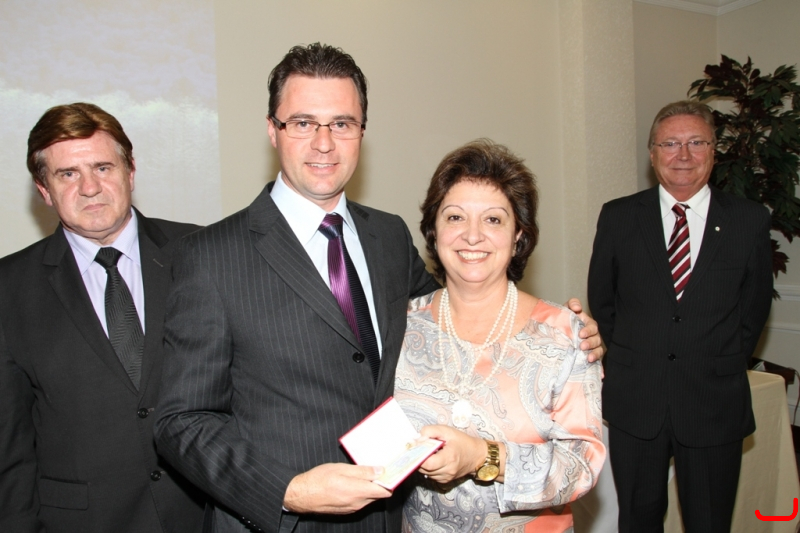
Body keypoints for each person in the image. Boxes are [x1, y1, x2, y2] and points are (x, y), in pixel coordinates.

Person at [154, 43, 603, 533]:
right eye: (303, 122)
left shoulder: (387, 236)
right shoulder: (211, 256)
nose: (324, 143)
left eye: (342, 123)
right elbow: (182, 421)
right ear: (272, 130)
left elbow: (458, 313)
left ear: (362, 132)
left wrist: (569, 333)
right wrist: (288, 490)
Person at [0, 103, 205, 532]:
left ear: (130, 172)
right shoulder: (9, 288)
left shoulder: (202, 252)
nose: (90, 188)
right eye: (67, 174)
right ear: (44, 190)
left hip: (205, 515)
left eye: (103, 167)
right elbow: (10, 449)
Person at [394, 139, 606, 532]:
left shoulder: (564, 335)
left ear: (518, 235)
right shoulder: (400, 326)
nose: (472, 235)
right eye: (455, 217)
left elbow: (582, 465)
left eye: (493, 220)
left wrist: (483, 456)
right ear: (434, 231)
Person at [588, 100, 773, 533]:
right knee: (637, 520)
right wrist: (639, 353)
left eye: (696, 143)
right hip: (637, 401)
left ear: (714, 151)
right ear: (652, 154)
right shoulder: (619, 216)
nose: (683, 155)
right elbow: (604, 300)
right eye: (670, 144)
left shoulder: (748, 220)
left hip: (713, 402)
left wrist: (718, 360)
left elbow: (753, 310)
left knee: (710, 522)